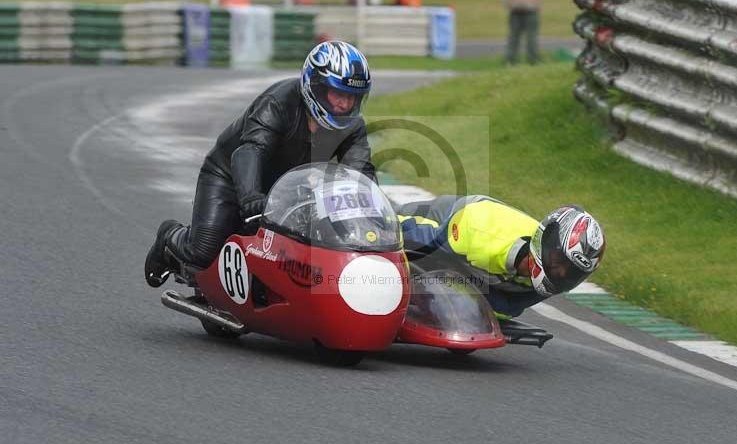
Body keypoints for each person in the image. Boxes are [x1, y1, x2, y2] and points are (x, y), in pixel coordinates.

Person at [144, 41, 374, 287]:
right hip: (230, 176)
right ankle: (169, 237)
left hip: (289, 187)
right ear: (315, 86)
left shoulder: (353, 126)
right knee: (202, 251)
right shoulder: (277, 103)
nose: (344, 104)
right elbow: (251, 150)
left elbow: (360, 173)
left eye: (351, 97)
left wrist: (369, 213)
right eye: (337, 93)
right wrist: (251, 196)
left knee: (317, 248)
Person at [397, 195, 605, 320]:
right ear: (547, 242)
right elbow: (417, 237)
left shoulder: (552, 281)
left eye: (572, 273)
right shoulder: (481, 234)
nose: (562, 273)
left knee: (500, 309)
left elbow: (507, 308)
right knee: (391, 236)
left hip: (478, 263)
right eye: (560, 263)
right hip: (448, 220)